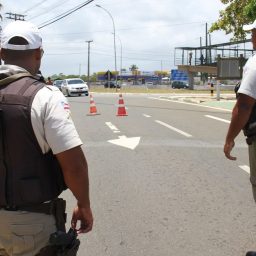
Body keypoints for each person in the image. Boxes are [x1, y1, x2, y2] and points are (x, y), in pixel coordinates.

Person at [0, 20, 93, 256]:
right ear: (39, 54)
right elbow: (74, 165)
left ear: (1, 54)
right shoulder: (45, 97)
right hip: (30, 225)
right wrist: (84, 204)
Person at [223, 19, 256, 256]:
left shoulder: (254, 65)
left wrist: (229, 138)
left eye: (253, 33)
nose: (251, 37)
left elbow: (244, 105)